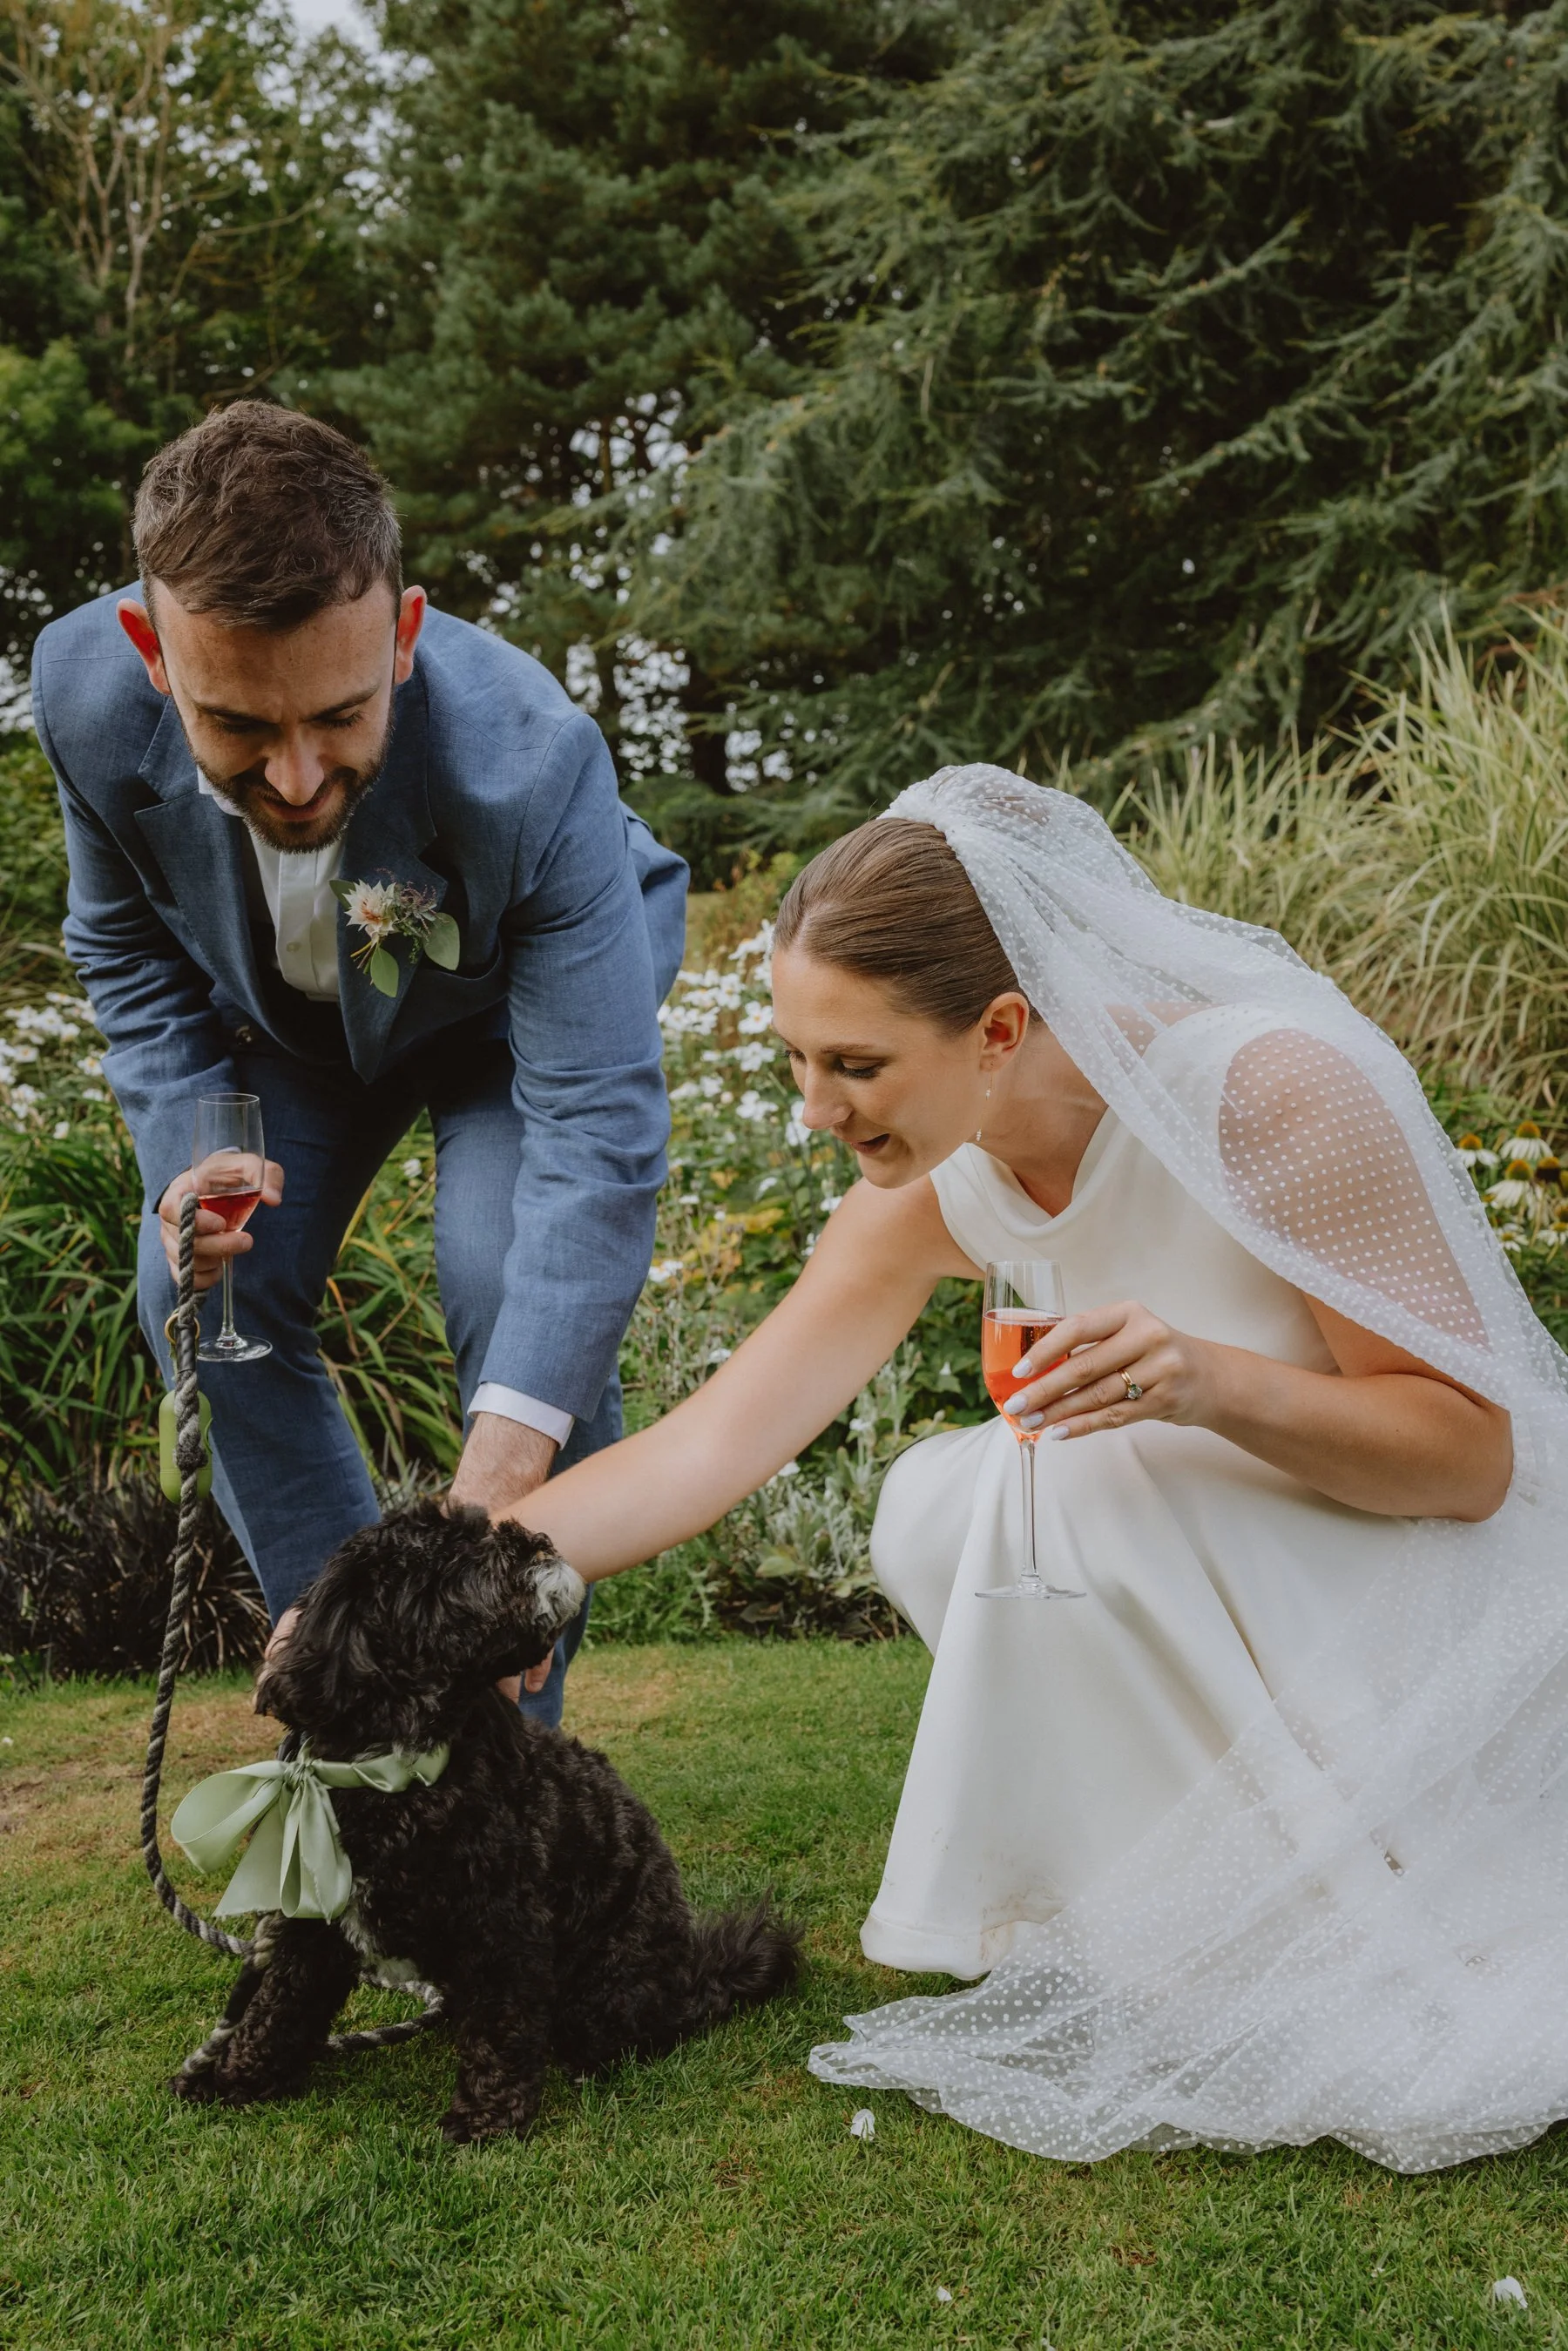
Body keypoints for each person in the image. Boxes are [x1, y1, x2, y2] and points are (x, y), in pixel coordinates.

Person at [501, 767, 1568, 2173]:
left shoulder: (1270, 1095)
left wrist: (1206, 1380)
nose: (816, 1111)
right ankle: (1176, 1917)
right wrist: (452, 1574)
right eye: (797, 1063)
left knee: (1051, 1478)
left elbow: (1471, 1458)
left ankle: (1335, 1882)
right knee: (941, 1498)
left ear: (998, 1028)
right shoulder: (936, 1185)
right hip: (1201, 1545)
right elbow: (715, 1438)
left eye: (857, 1067)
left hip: (1409, 1591)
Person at [32, 402, 686, 1726]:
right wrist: (189, 1165)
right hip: (297, 1033)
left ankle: (497, 1734)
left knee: (509, 1272)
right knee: (202, 1276)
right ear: (152, 653)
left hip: (514, 1020)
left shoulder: (531, 759)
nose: (295, 771)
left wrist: (486, 1522)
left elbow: (595, 1135)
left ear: (403, 630)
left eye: (339, 714)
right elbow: (127, 952)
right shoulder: (81, 696)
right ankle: (349, 1691)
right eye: (240, 726)